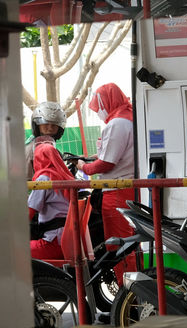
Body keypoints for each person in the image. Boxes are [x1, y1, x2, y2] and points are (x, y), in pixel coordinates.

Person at [77, 83, 137, 283]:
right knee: (129, 244)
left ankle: (127, 296)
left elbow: (106, 163)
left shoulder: (117, 124)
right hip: (129, 191)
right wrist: (87, 158)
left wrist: (83, 167)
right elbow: (114, 153)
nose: (98, 113)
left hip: (117, 193)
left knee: (119, 246)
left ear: (107, 103)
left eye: (98, 107)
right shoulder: (128, 119)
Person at [28, 142, 74, 260]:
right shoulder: (65, 177)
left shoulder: (44, 179)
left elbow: (28, 213)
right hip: (69, 241)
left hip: (53, 243)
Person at [25, 102, 66, 180]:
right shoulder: (31, 150)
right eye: (46, 124)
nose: (50, 128)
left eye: (54, 125)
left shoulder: (52, 147)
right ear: (37, 125)